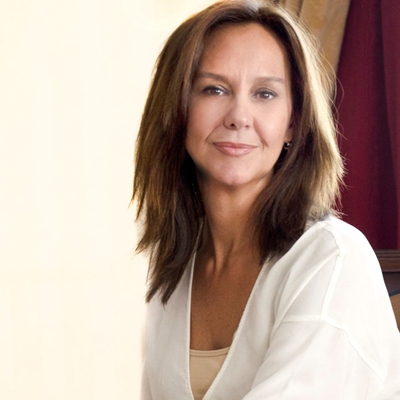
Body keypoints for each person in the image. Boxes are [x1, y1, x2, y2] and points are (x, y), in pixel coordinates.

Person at [132, 1, 400, 398]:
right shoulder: (174, 263)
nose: (239, 116)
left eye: (265, 93)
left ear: (293, 121)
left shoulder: (332, 258)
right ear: (177, 110)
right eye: (214, 89)